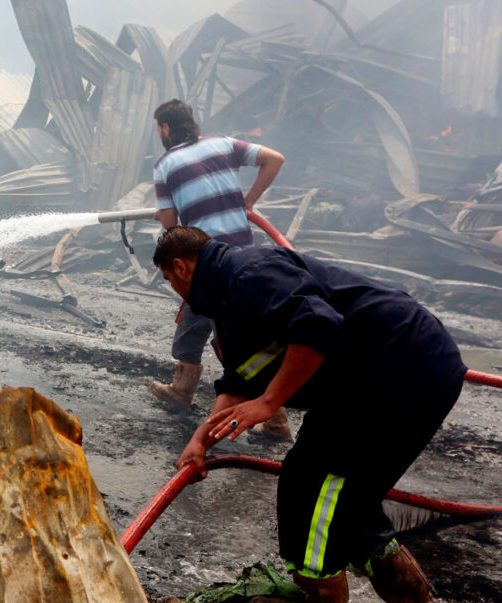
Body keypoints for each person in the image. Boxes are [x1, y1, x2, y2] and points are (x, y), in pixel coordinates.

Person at [154, 226, 464, 602]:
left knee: (312, 489)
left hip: (397, 369)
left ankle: (318, 588)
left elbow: (317, 323)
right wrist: (200, 439)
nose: (173, 290)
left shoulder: (246, 272)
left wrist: (269, 402)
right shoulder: (230, 296)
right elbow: (241, 378)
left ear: (181, 267)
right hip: (387, 375)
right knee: (350, 507)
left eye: (169, 279)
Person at [148, 99, 290, 439]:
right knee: (198, 321)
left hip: (207, 262)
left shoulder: (164, 165)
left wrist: (163, 215)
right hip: (243, 257)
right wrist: (249, 199)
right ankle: (182, 389)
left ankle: (275, 420)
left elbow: (171, 228)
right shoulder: (225, 145)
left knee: (233, 338)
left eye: (159, 129)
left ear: (166, 129)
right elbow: (275, 159)